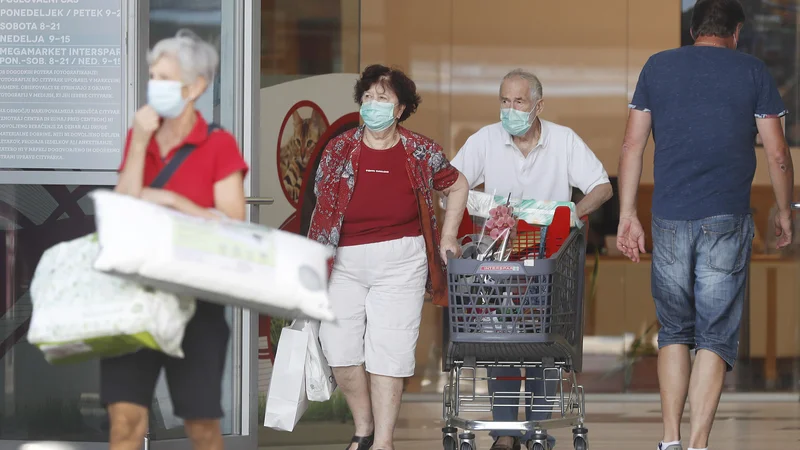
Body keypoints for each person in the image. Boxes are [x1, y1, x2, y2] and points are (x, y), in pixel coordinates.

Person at [616, 1, 793, 450]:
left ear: (693, 30)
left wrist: (628, 215)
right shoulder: (753, 71)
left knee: (674, 330)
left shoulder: (657, 67)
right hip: (725, 219)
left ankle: (670, 439)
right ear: (735, 32)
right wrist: (785, 210)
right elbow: (776, 153)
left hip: (670, 217)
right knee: (715, 333)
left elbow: (632, 145)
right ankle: (698, 444)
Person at [307, 64, 469, 450]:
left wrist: (448, 235)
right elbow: (317, 203)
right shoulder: (339, 147)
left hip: (401, 261)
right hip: (343, 261)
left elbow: (458, 185)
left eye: (382, 99)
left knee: (390, 351)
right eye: (367, 98)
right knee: (340, 348)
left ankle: (382, 441)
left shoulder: (420, 150)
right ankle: (362, 427)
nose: (372, 106)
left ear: (400, 110)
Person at [101, 29, 249, 450]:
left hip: (195, 302)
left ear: (195, 86)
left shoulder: (218, 144)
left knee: (201, 426)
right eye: (152, 75)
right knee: (125, 420)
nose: (154, 85)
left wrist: (166, 198)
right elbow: (124, 205)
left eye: (163, 76)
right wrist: (141, 143)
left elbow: (232, 221)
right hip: (134, 298)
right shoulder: (139, 136)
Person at [451, 69, 612, 450]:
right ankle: (506, 432)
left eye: (519, 102)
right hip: (499, 262)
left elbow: (601, 186)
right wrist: (480, 207)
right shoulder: (485, 140)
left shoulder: (564, 140)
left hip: (550, 262)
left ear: (538, 105)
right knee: (502, 341)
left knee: (545, 342)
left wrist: (572, 212)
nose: (510, 109)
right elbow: (452, 182)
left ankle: (537, 426)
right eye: (504, 101)